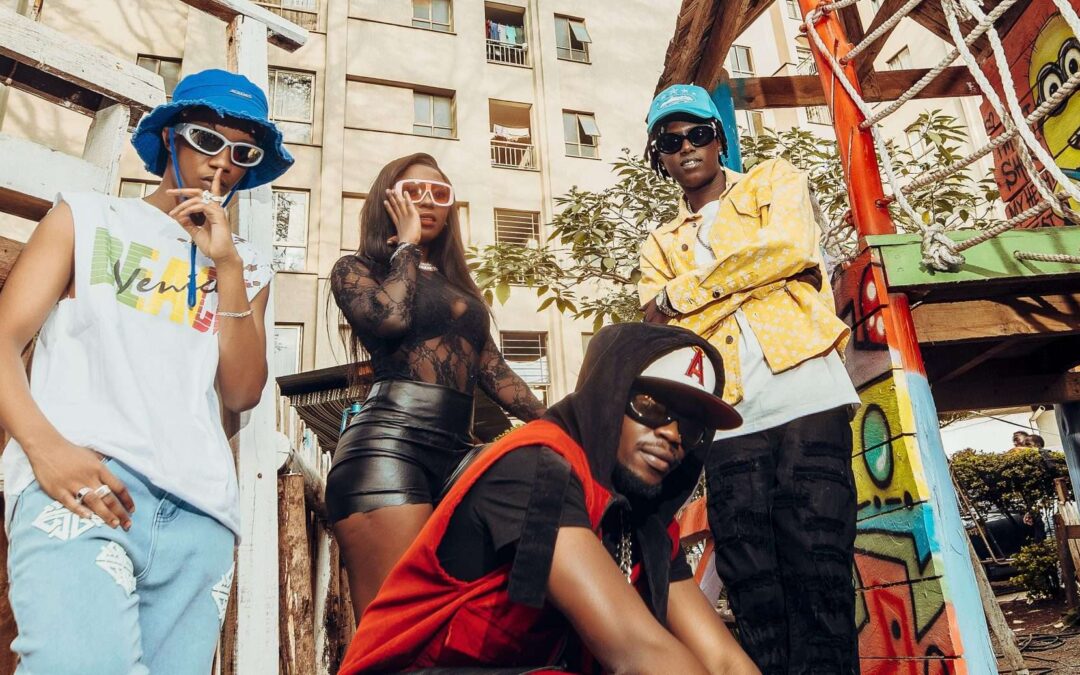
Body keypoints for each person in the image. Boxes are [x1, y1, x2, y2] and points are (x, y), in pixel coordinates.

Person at [0, 69, 292, 673]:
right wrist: (45, 449)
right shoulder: (86, 217)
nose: (223, 162)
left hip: (202, 521)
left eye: (243, 151)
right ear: (169, 139)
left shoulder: (248, 266)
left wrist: (228, 268)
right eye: (206, 140)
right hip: (84, 486)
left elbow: (241, 391)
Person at [338, 322, 759, 674]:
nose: (672, 435)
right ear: (608, 396)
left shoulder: (644, 522)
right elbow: (636, 651)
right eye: (651, 406)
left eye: (691, 427)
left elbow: (723, 661)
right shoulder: (537, 468)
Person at [638, 84, 861, 674]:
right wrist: (753, 275)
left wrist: (683, 292)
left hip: (805, 387)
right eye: (671, 140)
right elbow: (661, 327)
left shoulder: (772, 180)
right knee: (753, 580)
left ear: (719, 138)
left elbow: (788, 247)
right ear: (658, 155)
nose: (687, 148)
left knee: (820, 561)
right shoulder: (658, 245)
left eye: (699, 134)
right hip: (726, 411)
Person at [327, 153, 547, 618]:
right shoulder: (355, 268)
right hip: (386, 449)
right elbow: (389, 319)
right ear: (386, 201)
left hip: (457, 450)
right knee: (395, 627)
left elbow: (493, 370)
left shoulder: (457, 286)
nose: (427, 202)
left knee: (458, 619)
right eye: (412, 192)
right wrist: (405, 247)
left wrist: (563, 423)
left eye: (439, 193)